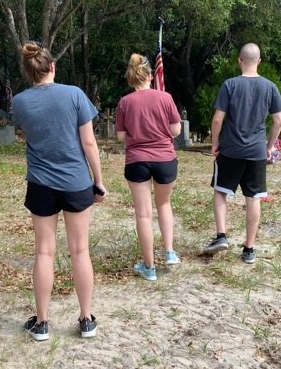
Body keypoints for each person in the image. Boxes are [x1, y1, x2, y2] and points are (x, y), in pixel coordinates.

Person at [12, 41, 106, 341]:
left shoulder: (20, 102)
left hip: (40, 183)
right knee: (80, 251)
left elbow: (27, 133)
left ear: (30, 72)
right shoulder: (75, 95)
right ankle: (86, 317)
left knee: (43, 252)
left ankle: (41, 322)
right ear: (52, 66)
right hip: (77, 181)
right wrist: (99, 180)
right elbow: (89, 143)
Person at [202, 43, 281, 265]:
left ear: (239, 60)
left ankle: (221, 236)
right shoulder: (270, 87)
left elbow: (218, 118)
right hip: (256, 151)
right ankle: (249, 248)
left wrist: (214, 144)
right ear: (259, 61)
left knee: (221, 192)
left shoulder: (230, 85)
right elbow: (279, 122)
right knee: (253, 197)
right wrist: (269, 146)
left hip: (230, 149)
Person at [115, 54, 182, 281]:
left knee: (143, 214)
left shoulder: (125, 102)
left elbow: (121, 136)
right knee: (163, 204)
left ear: (131, 78)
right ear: (150, 76)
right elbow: (176, 131)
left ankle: (149, 267)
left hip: (137, 160)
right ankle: (170, 252)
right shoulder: (165, 97)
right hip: (164, 158)